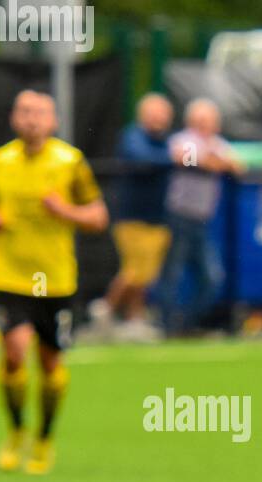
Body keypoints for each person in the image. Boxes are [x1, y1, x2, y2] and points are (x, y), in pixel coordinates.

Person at [0, 90, 108, 475]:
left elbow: (97, 217)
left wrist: (65, 211)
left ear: (54, 120)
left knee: (50, 361)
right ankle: (16, 430)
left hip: (55, 280)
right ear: (13, 118)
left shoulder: (69, 162)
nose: (32, 119)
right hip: (8, 275)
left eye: (40, 112)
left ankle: (44, 437)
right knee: (13, 351)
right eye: (24, 111)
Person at [90, 92, 173, 341]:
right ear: (142, 115)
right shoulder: (133, 137)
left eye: (163, 114)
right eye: (154, 113)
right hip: (132, 216)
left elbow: (187, 159)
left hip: (158, 217)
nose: (159, 119)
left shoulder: (167, 140)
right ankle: (104, 310)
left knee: (147, 274)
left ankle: (134, 320)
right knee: (135, 270)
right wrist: (174, 157)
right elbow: (143, 159)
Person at [159, 98, 244, 335]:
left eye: (209, 120)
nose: (205, 124)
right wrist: (211, 162)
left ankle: (187, 323)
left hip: (204, 220)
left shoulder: (218, 143)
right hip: (179, 216)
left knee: (211, 277)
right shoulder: (183, 139)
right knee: (172, 273)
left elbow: (237, 166)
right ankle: (167, 326)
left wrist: (214, 161)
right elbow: (185, 158)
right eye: (200, 120)